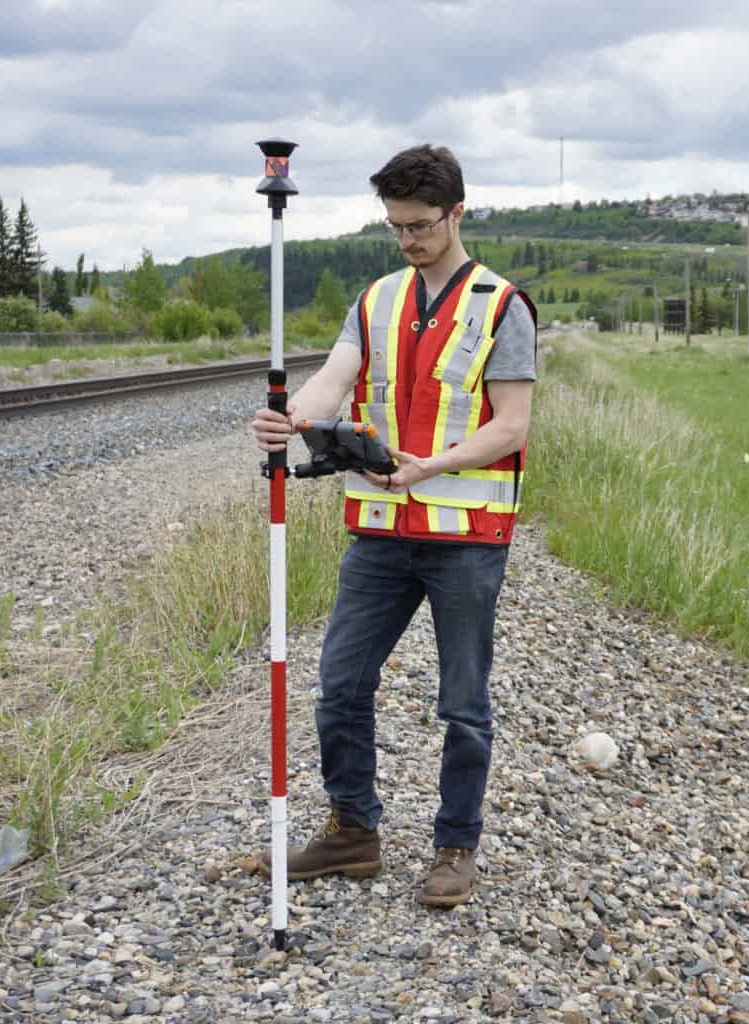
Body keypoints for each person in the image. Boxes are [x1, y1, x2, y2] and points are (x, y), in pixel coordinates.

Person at [251, 144, 536, 906]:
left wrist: (428, 467)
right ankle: (354, 831)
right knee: (340, 682)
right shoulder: (376, 300)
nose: (407, 240)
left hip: (466, 539)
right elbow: (335, 378)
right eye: (395, 227)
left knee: (463, 702)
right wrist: (292, 418)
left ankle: (455, 845)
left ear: (456, 213)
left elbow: (511, 425)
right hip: (380, 530)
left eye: (419, 226)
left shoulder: (501, 306)